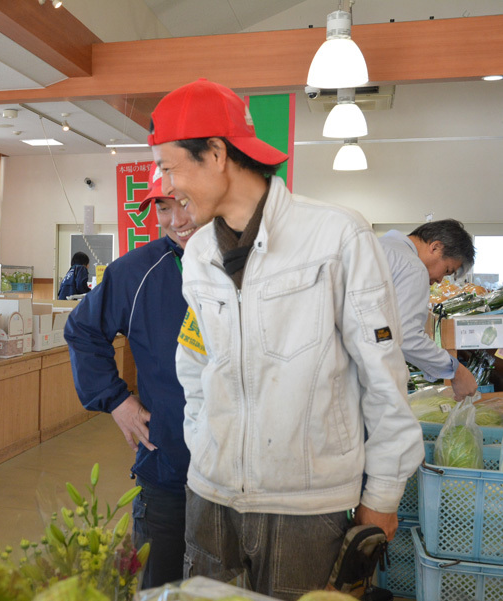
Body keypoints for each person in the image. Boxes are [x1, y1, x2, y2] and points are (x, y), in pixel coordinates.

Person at [149, 78, 424, 599]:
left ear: (215, 154)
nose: (167, 185)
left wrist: (384, 492)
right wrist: (203, 446)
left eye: (169, 166)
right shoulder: (198, 254)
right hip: (211, 497)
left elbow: (384, 376)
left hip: (308, 506)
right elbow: (194, 363)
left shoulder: (337, 236)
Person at [64, 167, 201, 589]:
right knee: (160, 585)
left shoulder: (252, 269)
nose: (177, 219)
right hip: (167, 467)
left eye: (186, 203)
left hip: (248, 479)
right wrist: (115, 399)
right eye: (163, 206)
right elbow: (83, 331)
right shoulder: (136, 272)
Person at [380, 219, 477, 400]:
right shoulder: (412, 267)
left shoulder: (382, 246)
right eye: (447, 270)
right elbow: (407, 335)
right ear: (435, 247)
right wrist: (456, 371)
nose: (441, 280)